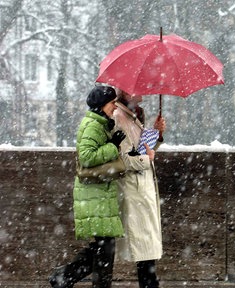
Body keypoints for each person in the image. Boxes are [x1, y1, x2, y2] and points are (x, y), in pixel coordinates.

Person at [49, 86, 126, 288]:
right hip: (95, 195)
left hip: (99, 194)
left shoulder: (100, 124)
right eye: (112, 103)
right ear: (102, 105)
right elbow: (87, 156)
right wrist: (112, 146)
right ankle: (68, 277)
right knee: (105, 247)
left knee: (103, 246)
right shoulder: (93, 125)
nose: (114, 107)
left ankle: (65, 277)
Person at [112, 89, 166, 288]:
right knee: (144, 246)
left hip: (141, 188)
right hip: (134, 190)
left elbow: (143, 149)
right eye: (139, 91)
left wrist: (157, 134)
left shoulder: (131, 116)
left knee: (146, 247)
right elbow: (126, 159)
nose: (143, 94)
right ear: (128, 92)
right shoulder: (120, 118)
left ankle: (150, 283)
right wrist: (147, 158)